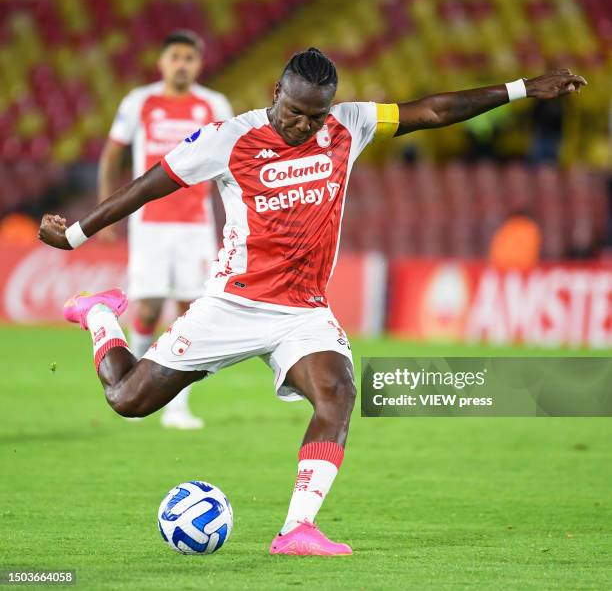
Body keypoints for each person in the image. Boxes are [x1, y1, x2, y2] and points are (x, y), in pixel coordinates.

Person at [39, 49, 585, 556]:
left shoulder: (349, 124)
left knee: (339, 391)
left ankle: (297, 528)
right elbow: (148, 186)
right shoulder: (229, 139)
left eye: (315, 117)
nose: (305, 125)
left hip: (303, 311)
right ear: (276, 90)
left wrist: (521, 89)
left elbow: (435, 111)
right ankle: (101, 314)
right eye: (296, 112)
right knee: (128, 400)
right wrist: (77, 235)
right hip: (233, 304)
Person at [98, 30, 233, 429]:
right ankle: (133, 383)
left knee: (190, 310)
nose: (181, 64)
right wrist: (108, 211)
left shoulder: (214, 103)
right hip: (150, 223)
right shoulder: (140, 101)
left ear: (199, 63)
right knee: (152, 305)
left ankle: (176, 406)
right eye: (175, 57)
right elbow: (111, 156)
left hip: (195, 224)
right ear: (162, 62)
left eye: (189, 58)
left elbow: (230, 161)